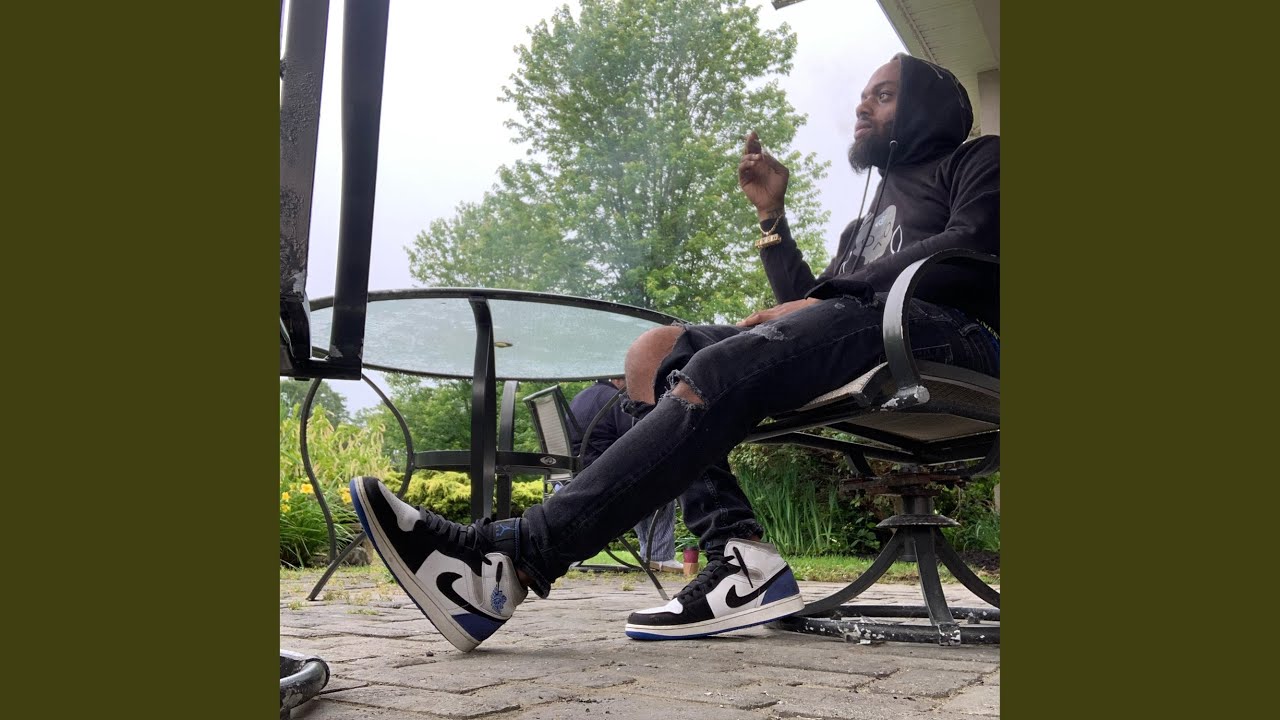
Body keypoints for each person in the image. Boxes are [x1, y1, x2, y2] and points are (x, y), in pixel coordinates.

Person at [348, 53, 1000, 652]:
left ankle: (513, 558)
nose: (862, 105)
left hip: (952, 338)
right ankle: (739, 556)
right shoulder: (863, 223)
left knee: (717, 366)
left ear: (927, 108)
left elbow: (971, 242)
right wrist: (771, 217)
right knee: (653, 353)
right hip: (869, 333)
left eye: (883, 95)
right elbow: (810, 309)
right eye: (864, 94)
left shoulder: (978, 160)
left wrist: (824, 298)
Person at [567, 378, 680, 573]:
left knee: (642, 480)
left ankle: (653, 555)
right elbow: (638, 438)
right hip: (602, 479)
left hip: (572, 479)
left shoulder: (580, 398)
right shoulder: (615, 399)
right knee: (663, 481)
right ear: (619, 379)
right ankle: (658, 556)